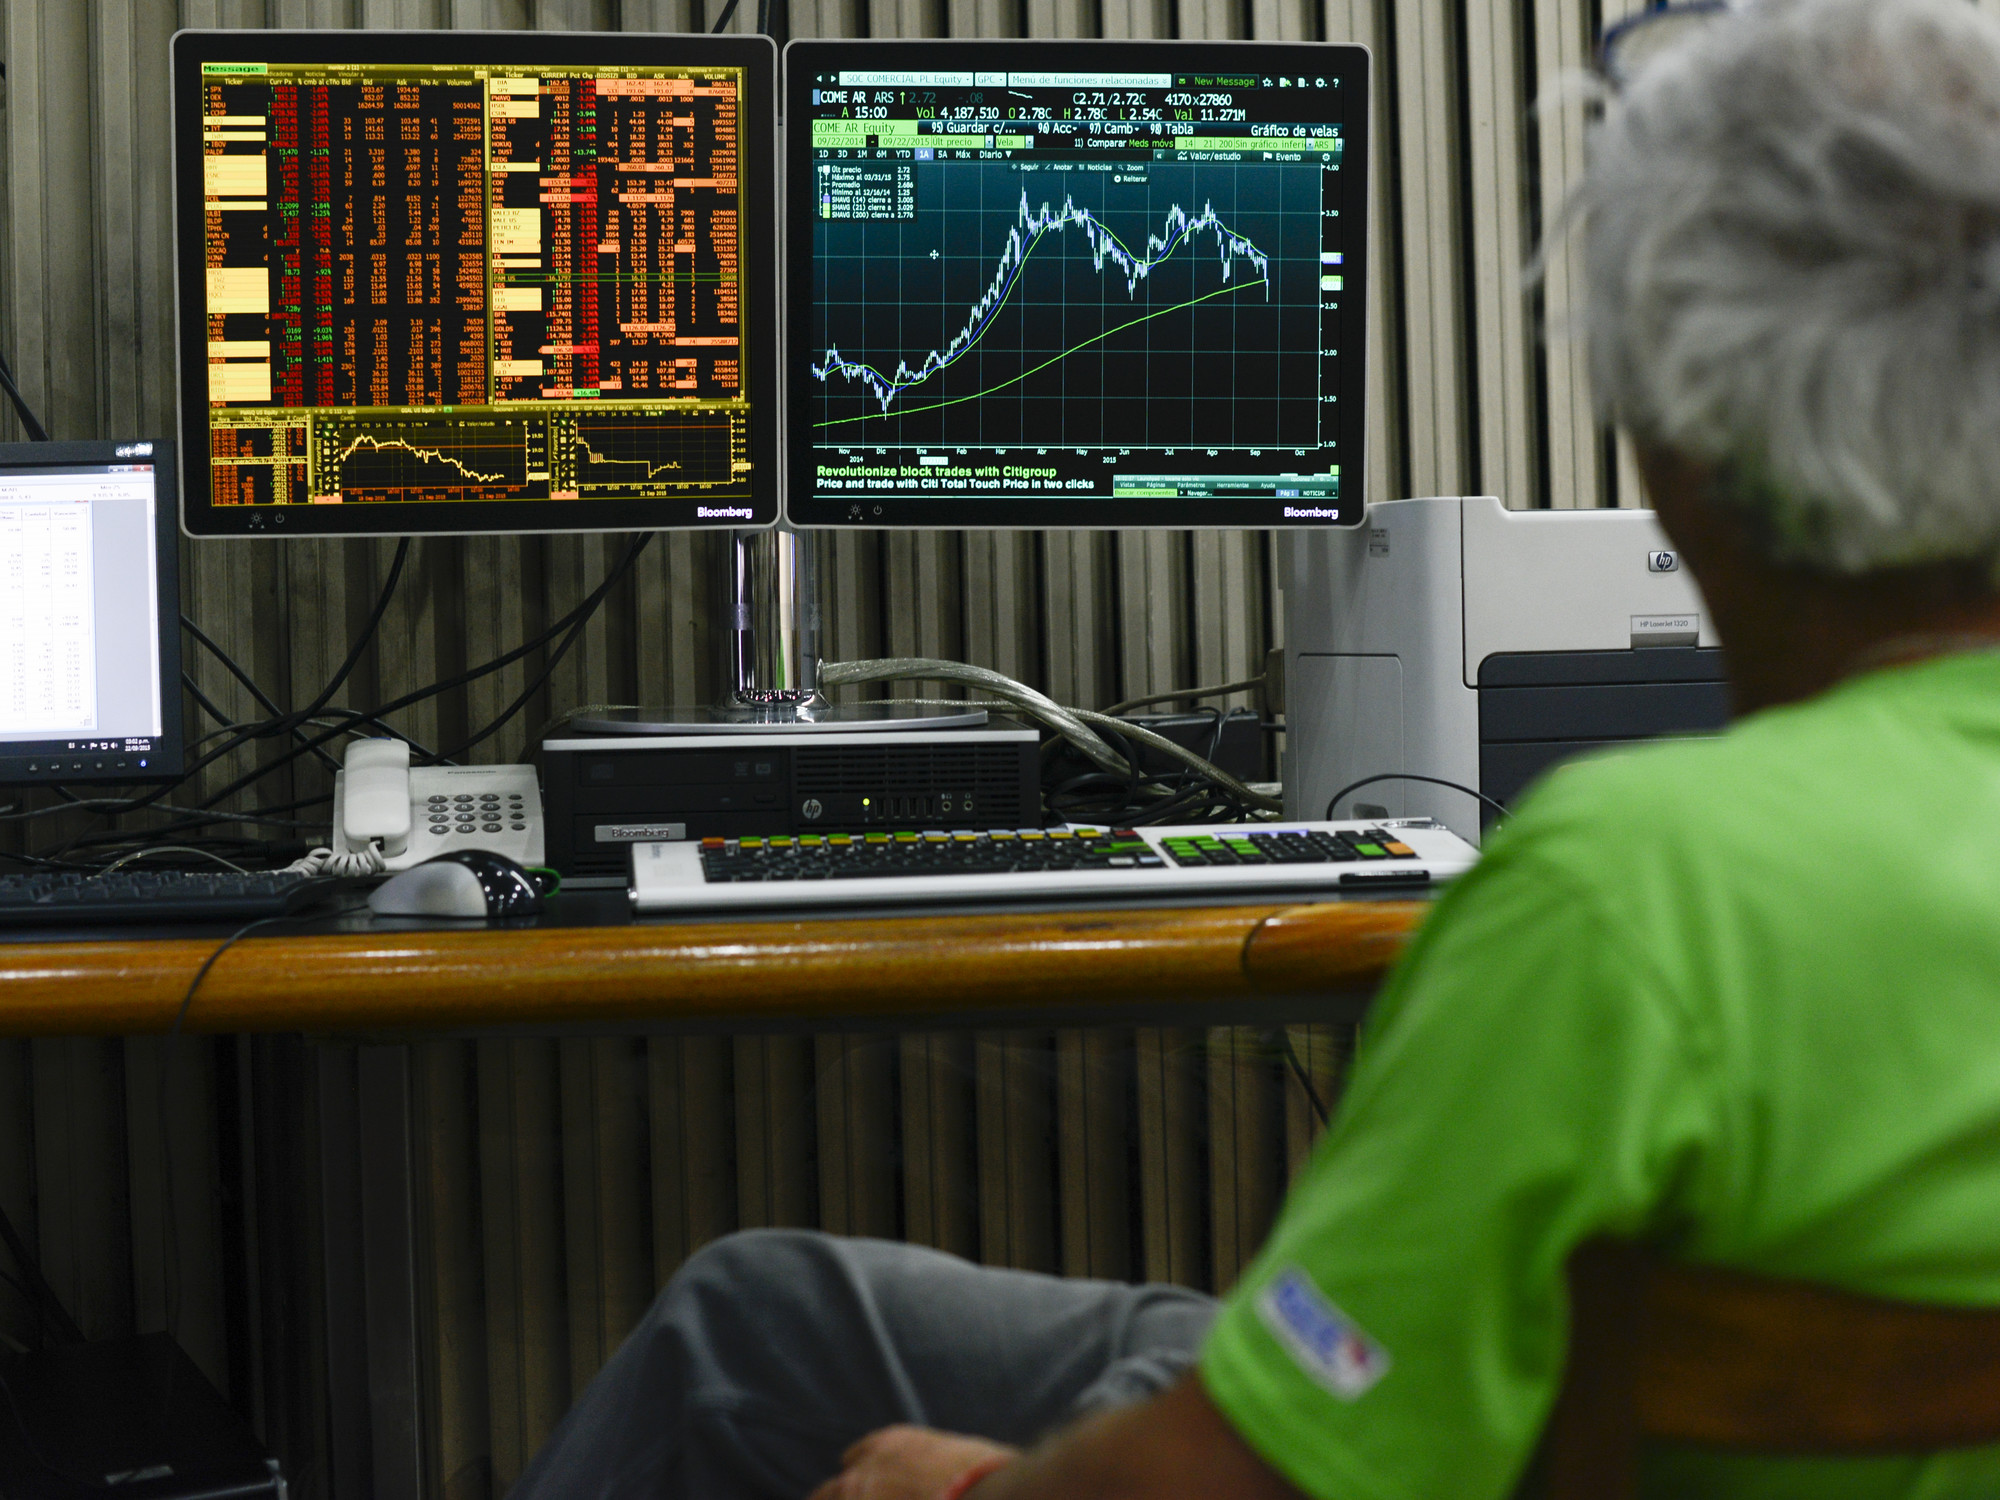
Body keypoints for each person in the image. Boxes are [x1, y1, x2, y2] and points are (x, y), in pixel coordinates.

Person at [512, 0, 2000, 1494]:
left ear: (1681, 431)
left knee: (750, 1337)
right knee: (774, 1311)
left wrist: (965, 1488)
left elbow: (1246, 1483)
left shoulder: (1633, 905)